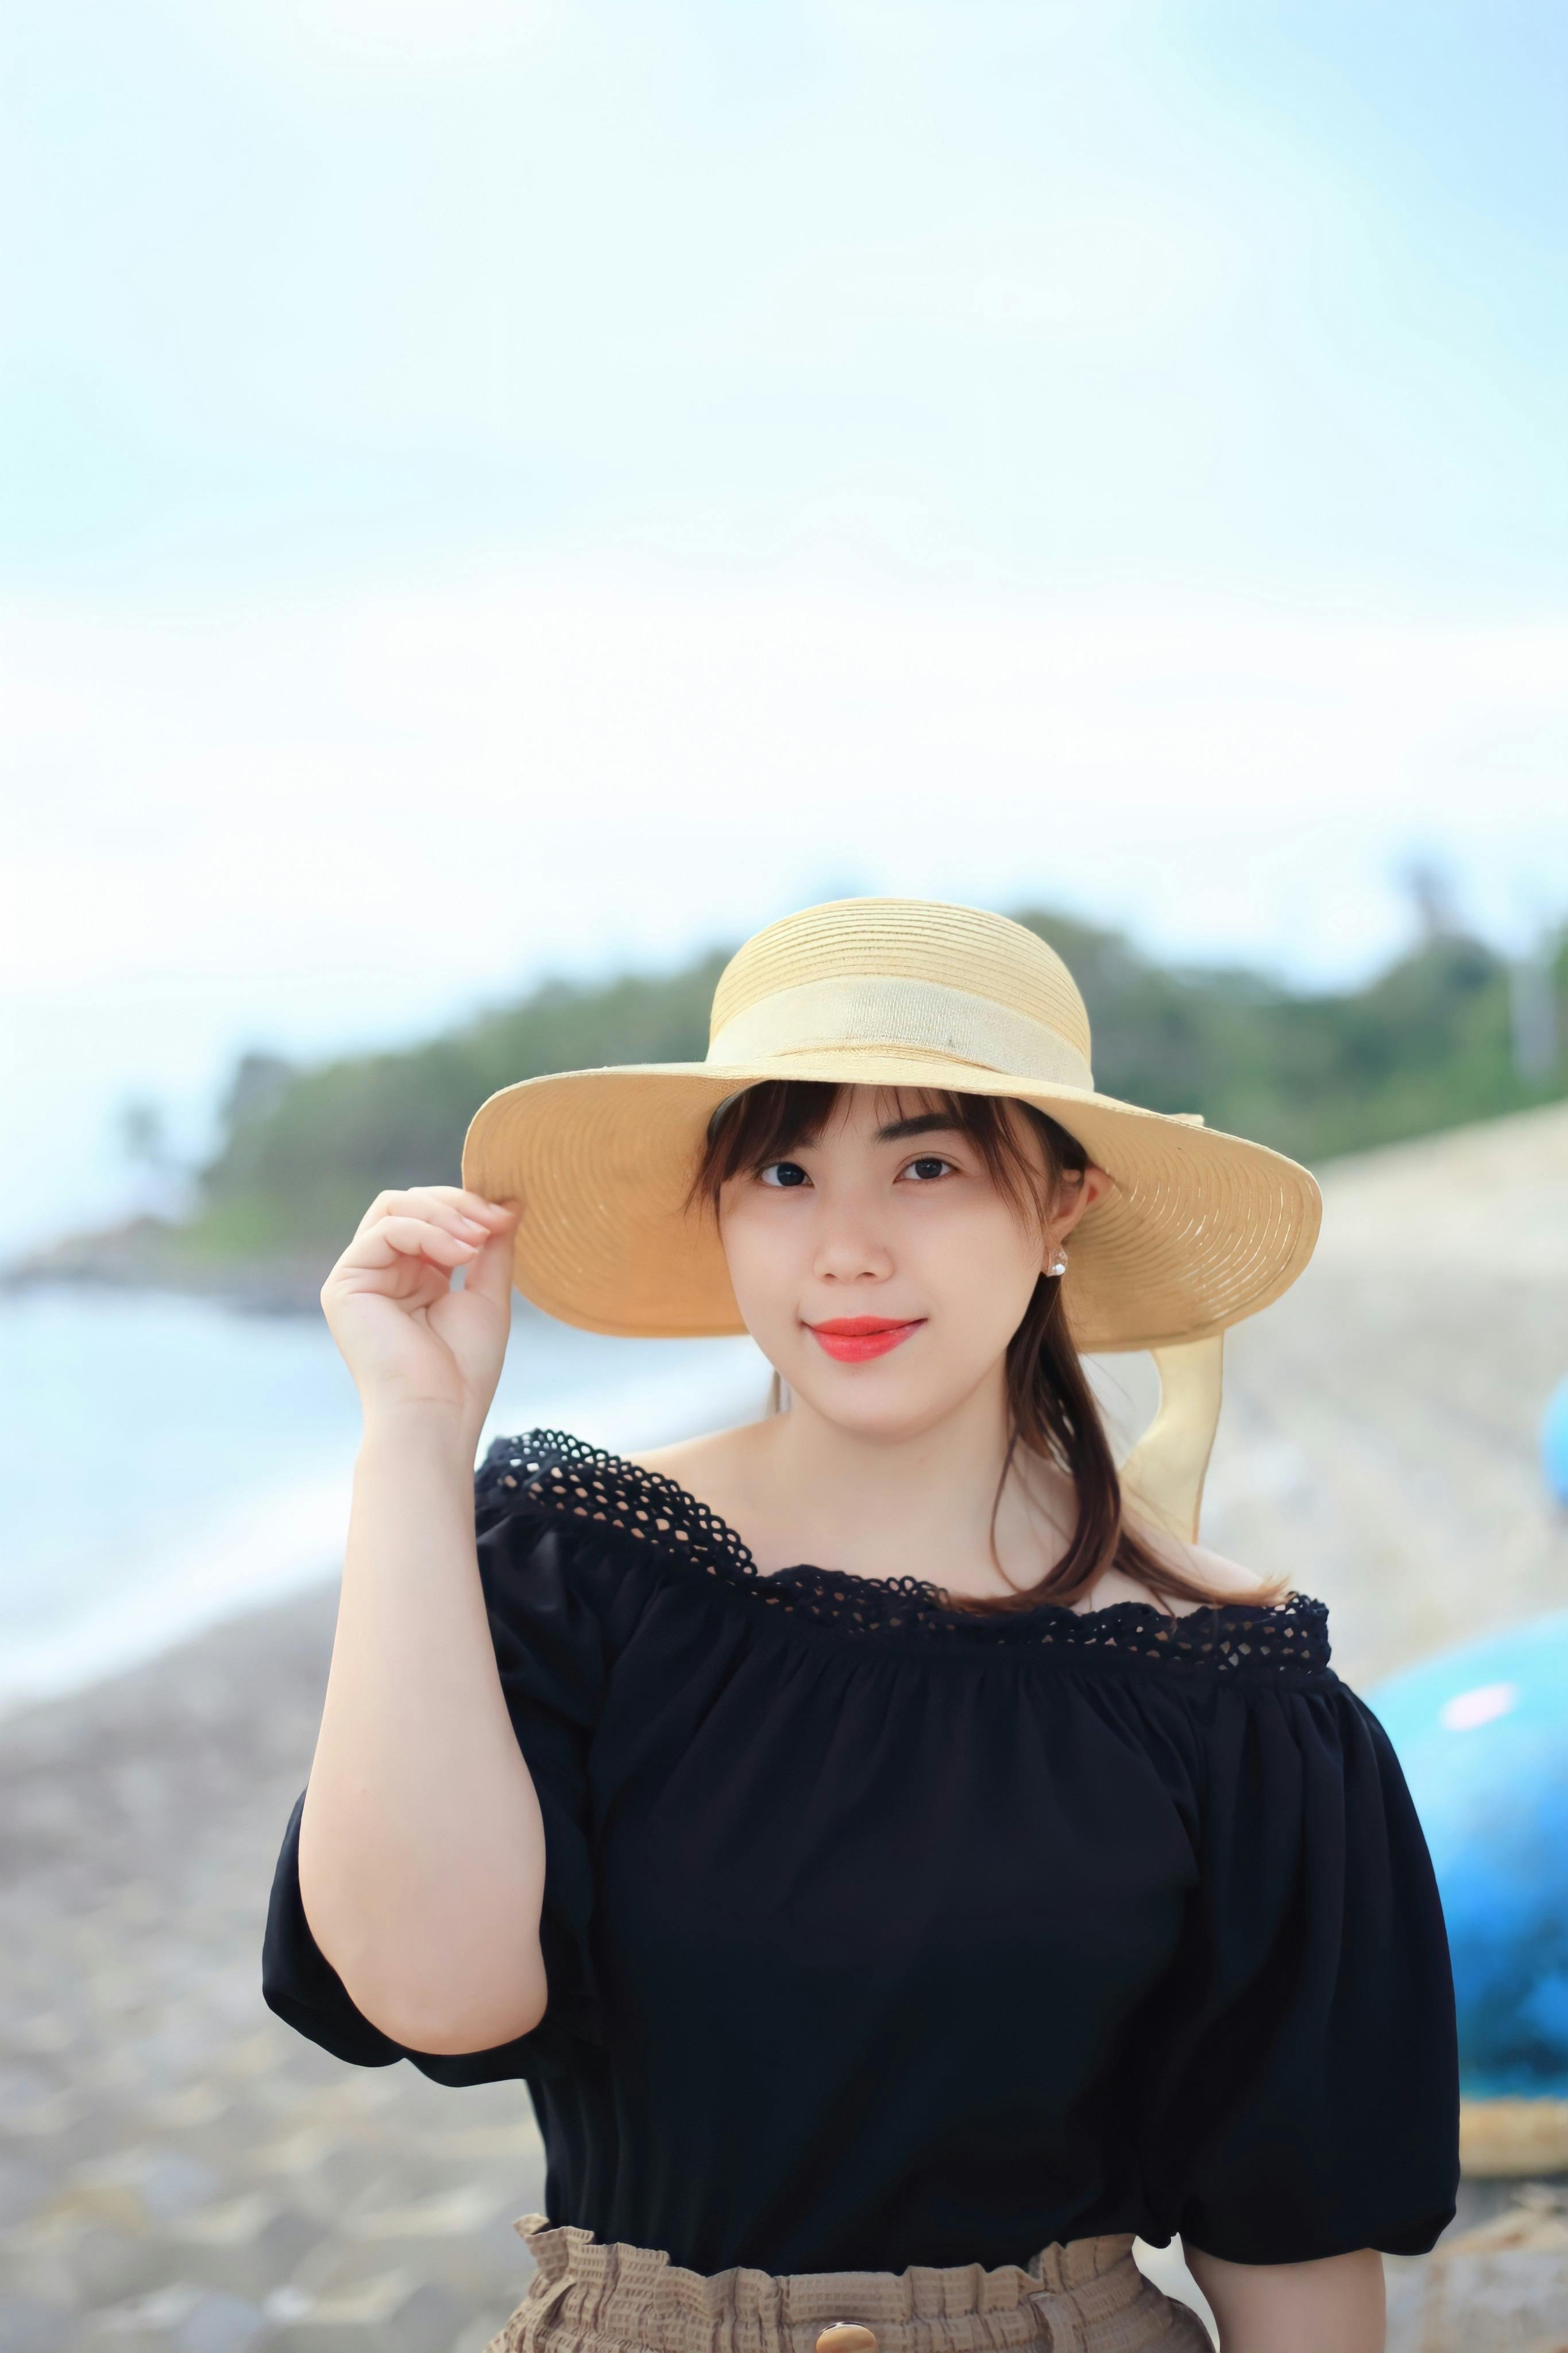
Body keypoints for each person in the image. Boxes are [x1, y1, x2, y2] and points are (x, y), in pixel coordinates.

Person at [262, 897, 1460, 2353]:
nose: (847, 1250)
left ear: (1063, 1204)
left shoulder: (1231, 1689)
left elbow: (1295, 2225)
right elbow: (436, 1993)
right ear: (724, 1209)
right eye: (784, 1168)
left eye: (930, 1165)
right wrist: (416, 1433)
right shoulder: (574, 1568)